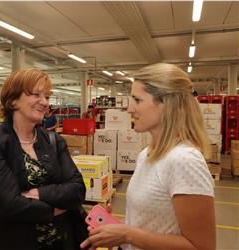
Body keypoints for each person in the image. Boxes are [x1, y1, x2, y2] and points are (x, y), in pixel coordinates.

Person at [81, 63, 216, 250]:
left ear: (166, 104)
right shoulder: (147, 154)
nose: (129, 109)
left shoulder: (185, 161)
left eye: (137, 100)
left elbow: (202, 247)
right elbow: (151, 226)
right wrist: (118, 231)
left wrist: (128, 234)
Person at [0, 68, 87, 250]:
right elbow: (7, 205)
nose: (45, 102)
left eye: (46, 96)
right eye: (36, 94)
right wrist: (57, 209)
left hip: (60, 242)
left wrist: (38, 194)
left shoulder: (55, 141)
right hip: (14, 242)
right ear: (13, 100)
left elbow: (77, 189)